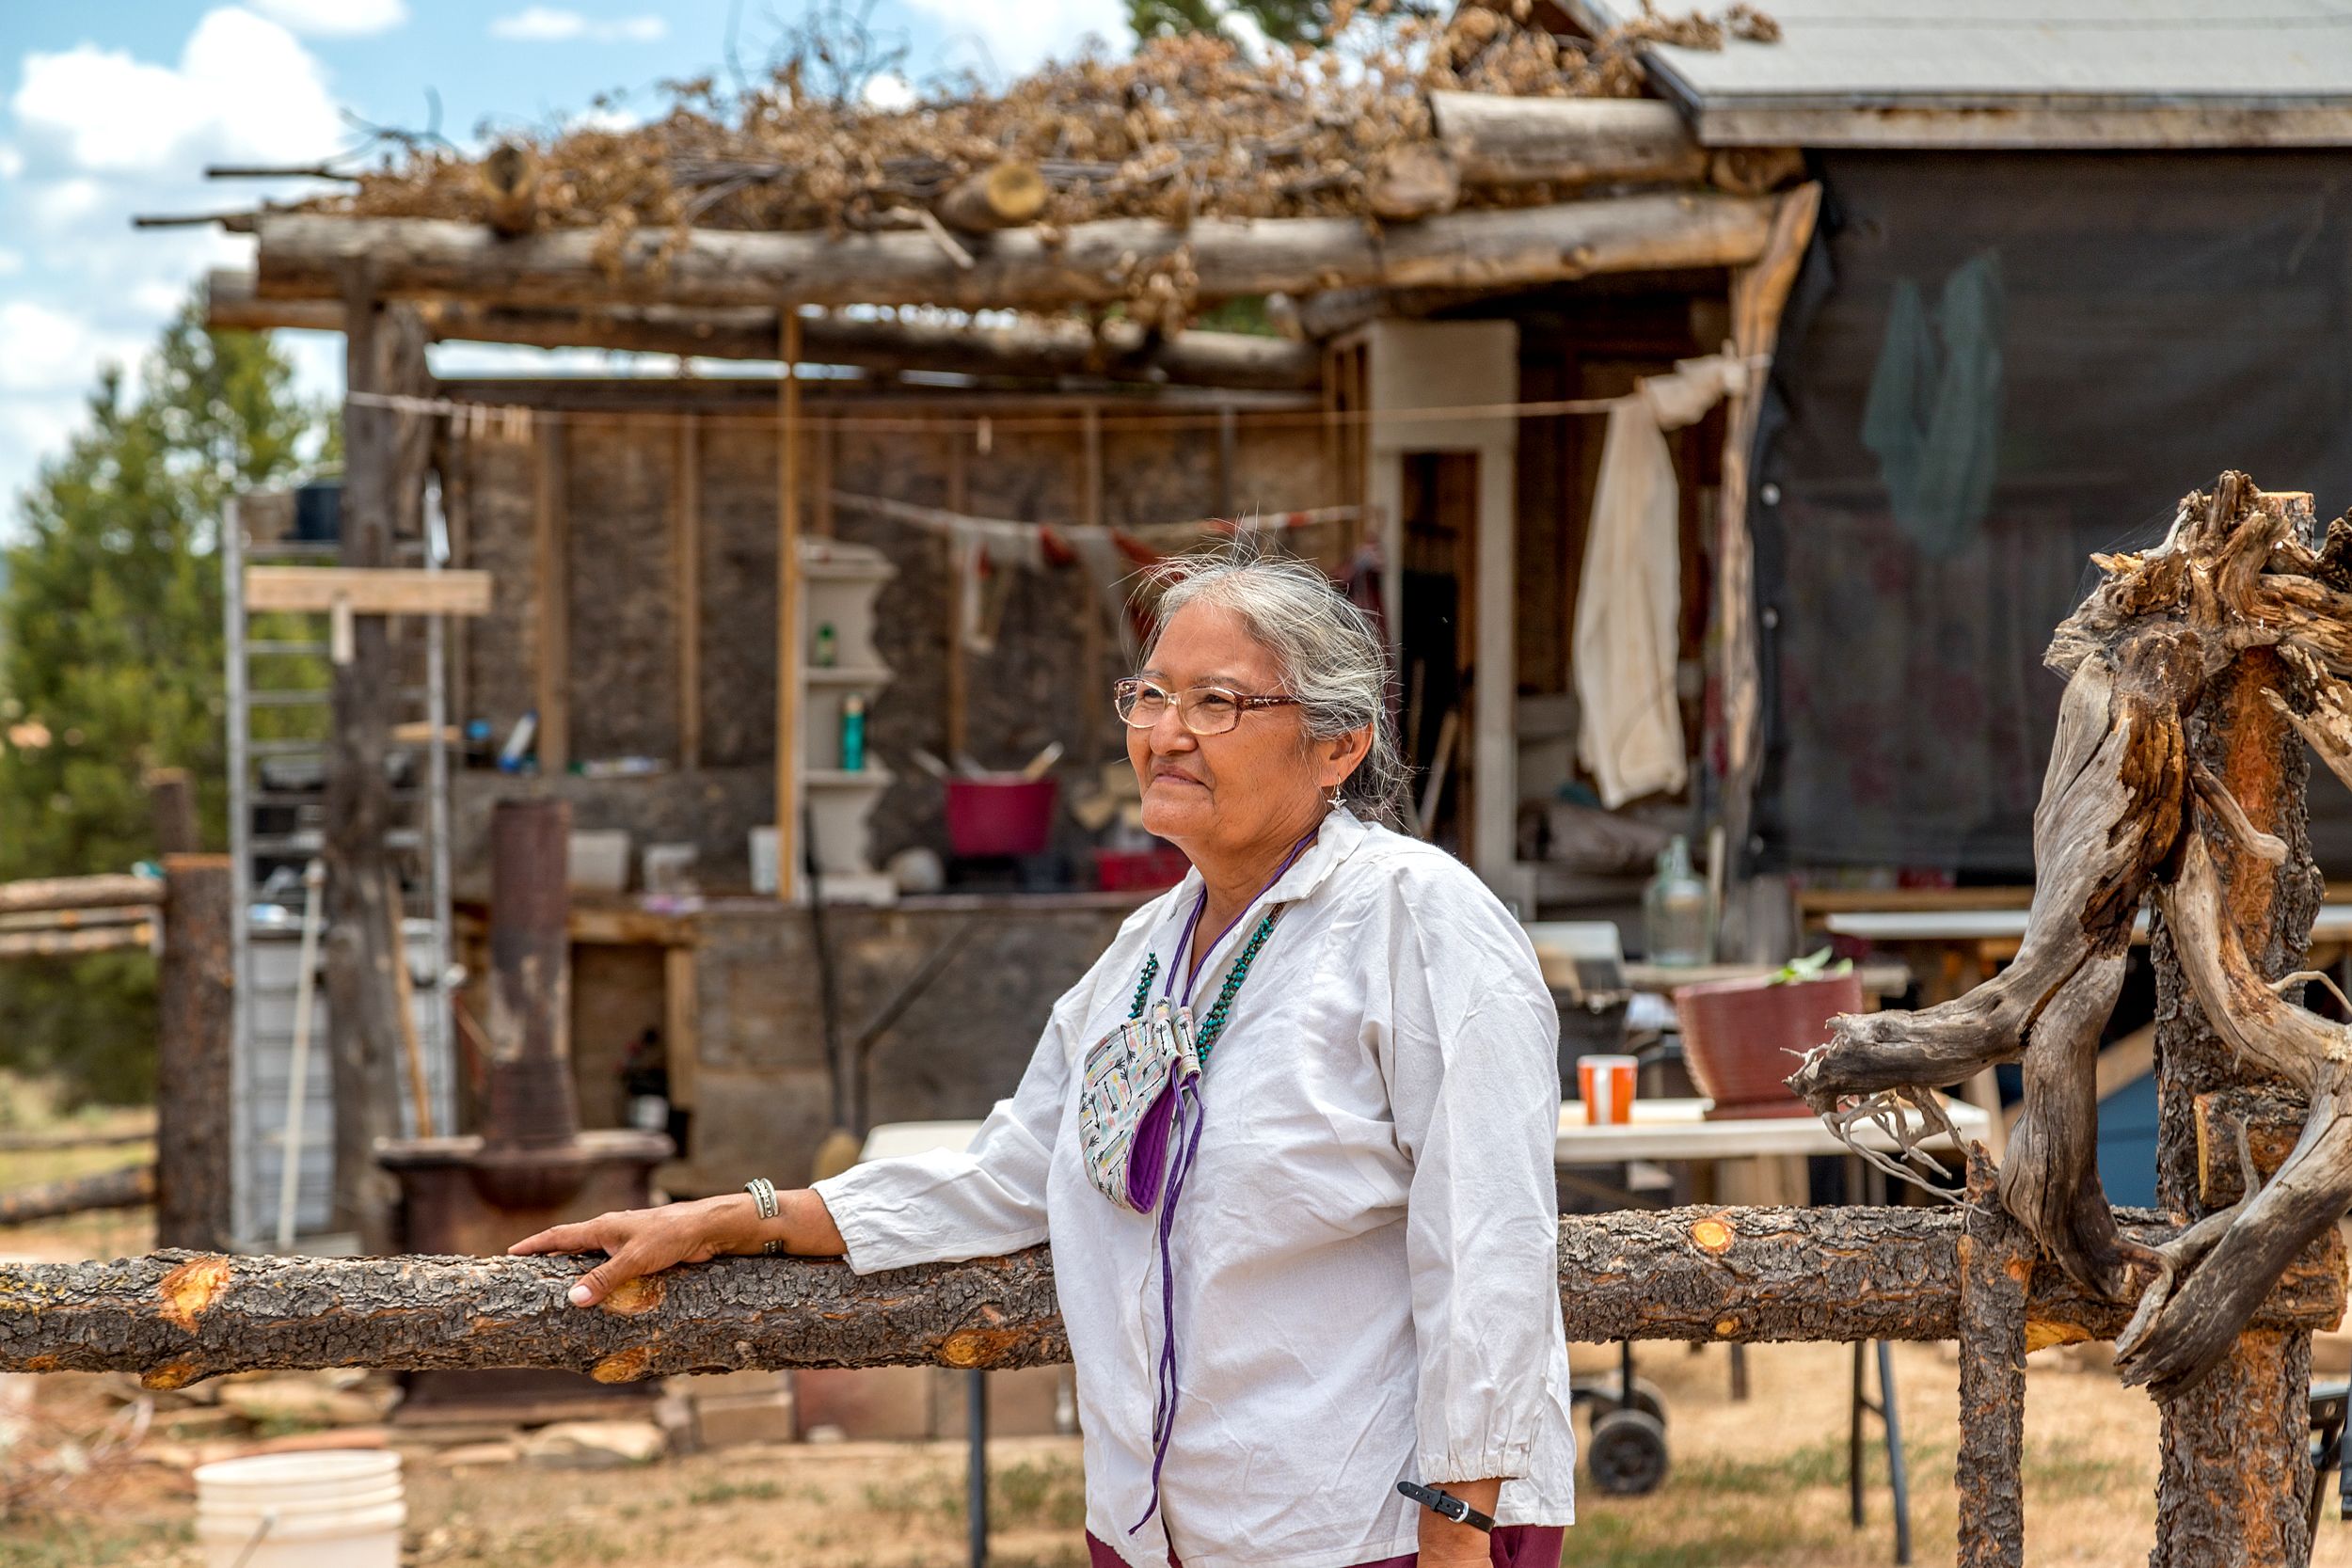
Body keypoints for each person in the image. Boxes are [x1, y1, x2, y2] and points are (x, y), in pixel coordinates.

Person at [511, 548, 1577, 1568]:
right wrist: (734, 1216)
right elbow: (1012, 1173)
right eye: (1150, 695)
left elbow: (1488, 1236)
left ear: (1339, 745)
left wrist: (1458, 1524)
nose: (1167, 732)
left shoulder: (1415, 919)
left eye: (1217, 702)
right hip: (1162, 1527)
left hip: (1374, 1529)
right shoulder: (1145, 953)